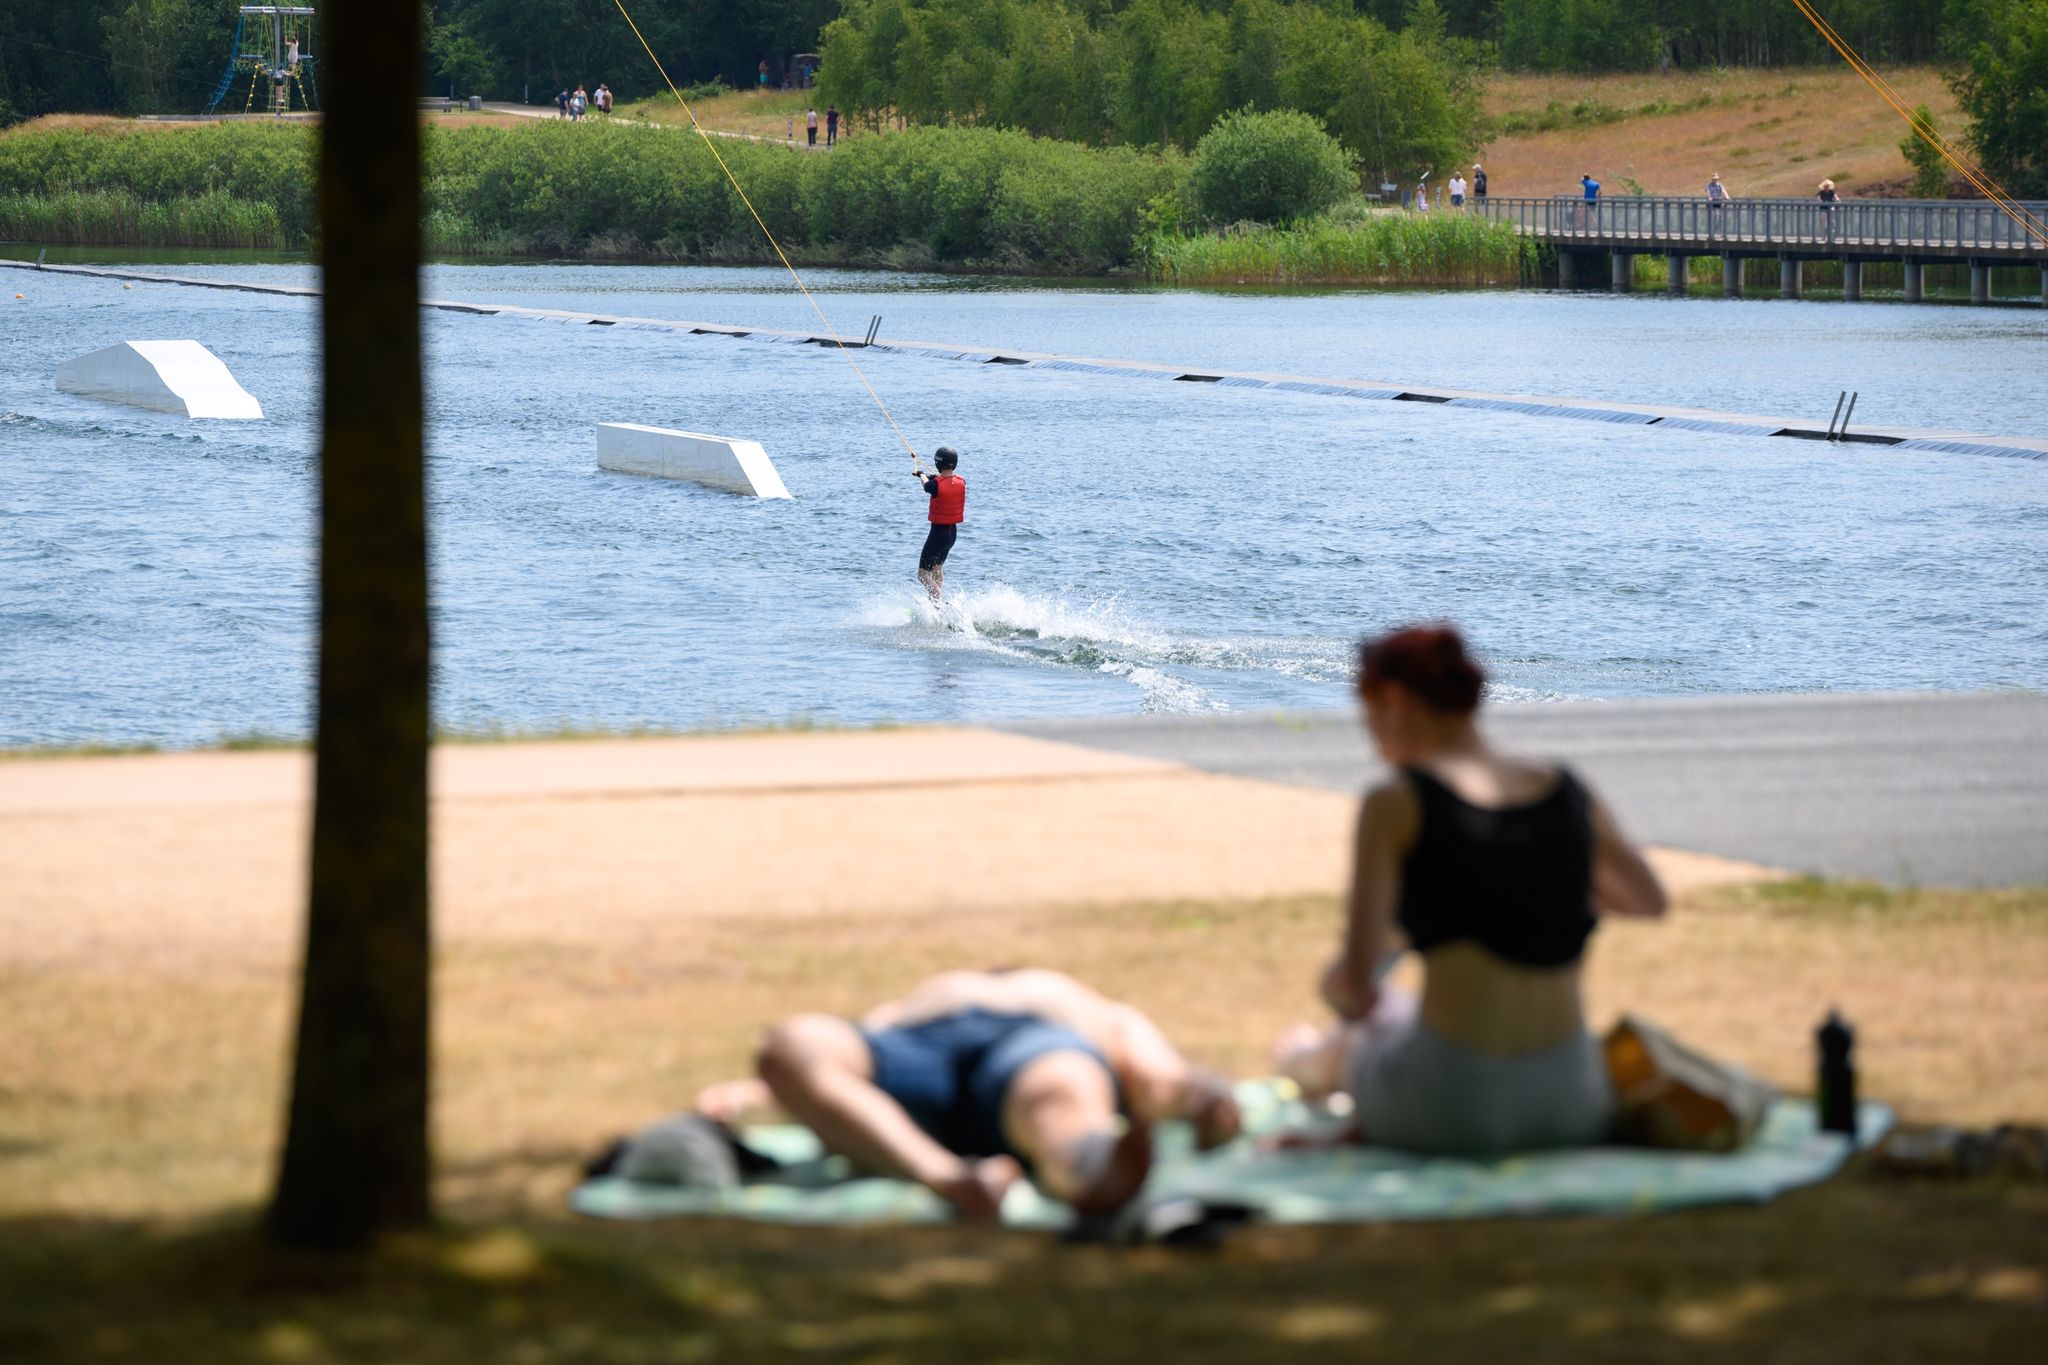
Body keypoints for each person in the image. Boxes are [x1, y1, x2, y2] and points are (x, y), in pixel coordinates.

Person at [1271, 624, 1667, 1155]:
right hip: (1572, 1104)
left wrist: (1362, 966)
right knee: (1396, 1019)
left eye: (1370, 718)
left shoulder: (1396, 802)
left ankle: (1302, 1061)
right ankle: (1313, 1062)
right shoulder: (1566, 788)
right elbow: (1648, 901)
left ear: (1394, 700)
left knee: (1371, 1025)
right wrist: (1541, 889)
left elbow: (1356, 989)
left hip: (1451, 1108)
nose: (1374, 741)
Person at [692, 969, 1242, 1218]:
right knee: (794, 1041)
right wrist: (766, 1090)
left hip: (1033, 1046)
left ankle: (1088, 1167)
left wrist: (1206, 1100)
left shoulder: (1089, 1007)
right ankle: (951, 1178)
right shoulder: (929, 996)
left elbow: (1160, 1079)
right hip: (913, 1051)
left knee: (1059, 1087)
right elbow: (836, 1067)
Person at [913, 446, 966, 601]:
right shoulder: (961, 481)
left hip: (937, 534)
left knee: (923, 575)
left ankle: (940, 604)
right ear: (954, 464)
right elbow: (944, 481)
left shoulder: (934, 485)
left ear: (937, 464)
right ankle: (936, 600)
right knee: (937, 569)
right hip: (951, 535)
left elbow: (927, 485)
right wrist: (934, 477)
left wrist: (921, 474)